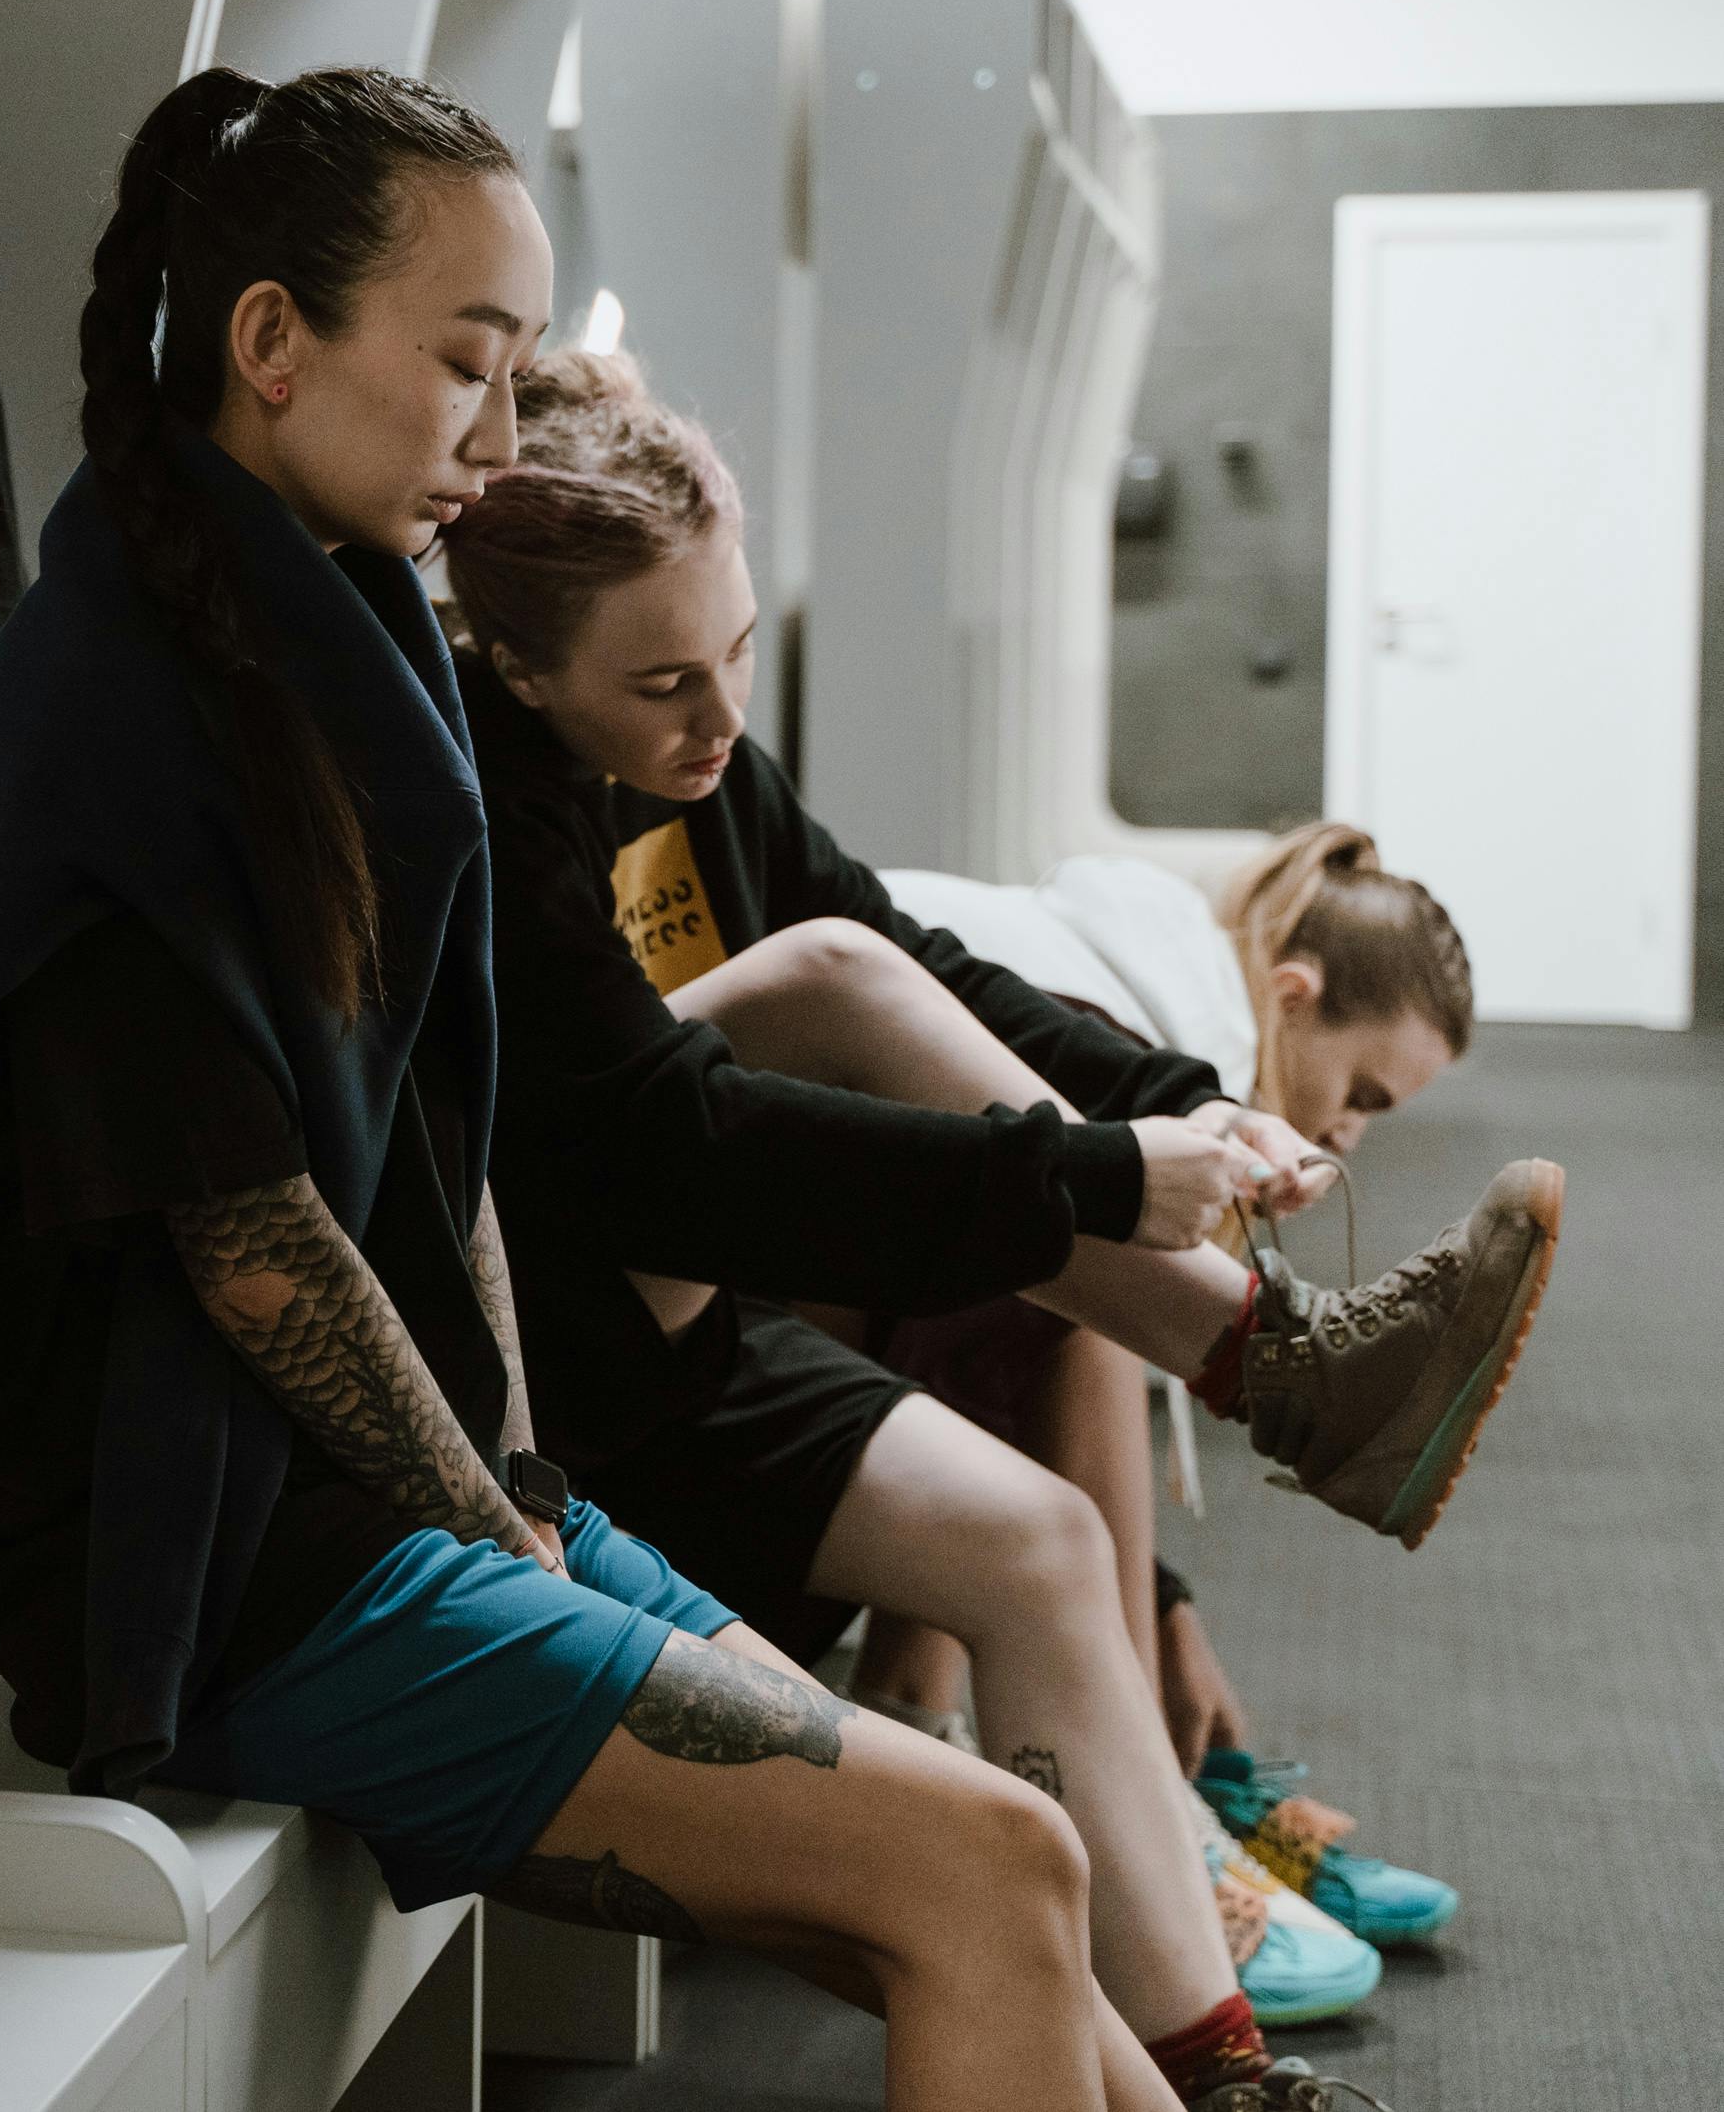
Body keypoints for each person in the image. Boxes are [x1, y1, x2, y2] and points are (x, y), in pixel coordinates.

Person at [0, 67, 1235, 2111]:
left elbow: (439, 1154)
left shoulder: (316, 640)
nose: (498, 444)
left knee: (998, 1868)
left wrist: (519, 1473)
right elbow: (251, 1249)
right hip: (238, 1573)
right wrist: (501, 1524)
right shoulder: (122, 718)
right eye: (465, 369)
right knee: (989, 1854)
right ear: (268, 345)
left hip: (414, 1508)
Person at [440, 350, 1556, 2100]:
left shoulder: (700, 765)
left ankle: (1232, 2074)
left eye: (735, 652)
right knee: (827, 977)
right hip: (545, 1382)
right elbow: (673, 1151)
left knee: (1035, 1544)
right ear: (514, 666)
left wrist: (1183, 1099)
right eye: (659, 683)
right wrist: (1094, 1179)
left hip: (697, 1342)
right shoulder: (485, 816)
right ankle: (1278, 1368)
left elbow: (928, 964)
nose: (715, 716)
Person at [854, 830, 1479, 1951]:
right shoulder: (1108, 1031)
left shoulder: (1117, 986)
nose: (1350, 1132)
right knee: (1086, 1291)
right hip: (766, 1278)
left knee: (1083, 1309)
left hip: (849, 1286)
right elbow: (962, 1359)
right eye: (1360, 1090)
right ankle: (1145, 1823)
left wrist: (1158, 1598)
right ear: (1288, 994)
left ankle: (1149, 1794)